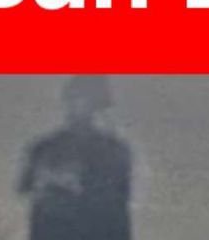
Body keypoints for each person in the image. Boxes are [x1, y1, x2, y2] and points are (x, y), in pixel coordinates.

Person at [18, 76, 132, 240]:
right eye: (77, 99)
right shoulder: (44, 148)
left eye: (87, 101)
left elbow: (118, 207)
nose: (80, 107)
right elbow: (26, 186)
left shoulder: (114, 151)